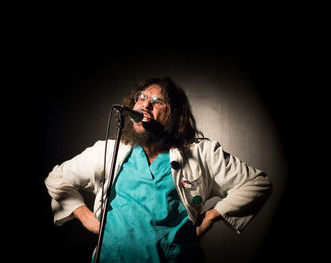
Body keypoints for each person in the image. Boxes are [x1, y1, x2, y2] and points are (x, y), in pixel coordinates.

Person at [45, 77, 272, 262]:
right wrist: (84, 216)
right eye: (141, 98)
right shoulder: (108, 151)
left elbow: (258, 183)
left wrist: (211, 217)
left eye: (157, 101)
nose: (145, 105)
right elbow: (57, 178)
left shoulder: (200, 153)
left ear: (174, 115)